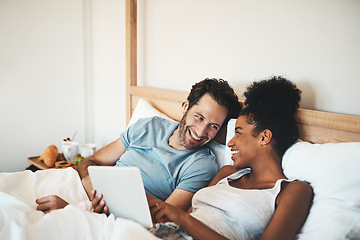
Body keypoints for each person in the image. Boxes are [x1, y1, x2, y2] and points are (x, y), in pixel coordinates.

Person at [36, 78, 241, 214]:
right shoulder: (149, 125)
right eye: (199, 117)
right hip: (88, 193)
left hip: (112, 214)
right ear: (186, 107)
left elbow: (164, 216)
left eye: (213, 126)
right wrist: (91, 185)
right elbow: (94, 160)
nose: (201, 131)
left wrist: (76, 210)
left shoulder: (202, 166)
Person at [147, 76, 314, 240]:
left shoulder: (293, 191)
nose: (231, 143)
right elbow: (186, 220)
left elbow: (186, 220)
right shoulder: (227, 173)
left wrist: (182, 218)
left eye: (238, 133)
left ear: (264, 137)